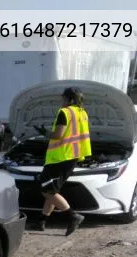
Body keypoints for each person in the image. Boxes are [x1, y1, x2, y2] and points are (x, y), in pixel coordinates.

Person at [37, 87, 92, 236]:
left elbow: (58, 134)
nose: (61, 101)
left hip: (60, 157)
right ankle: (42, 220)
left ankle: (72, 216)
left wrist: (46, 133)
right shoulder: (82, 113)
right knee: (53, 190)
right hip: (72, 156)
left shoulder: (65, 112)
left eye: (63, 98)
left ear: (69, 99)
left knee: (46, 190)